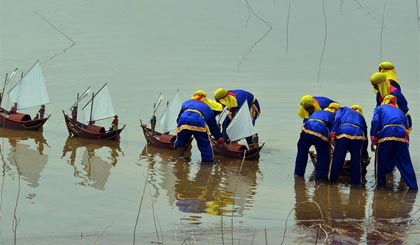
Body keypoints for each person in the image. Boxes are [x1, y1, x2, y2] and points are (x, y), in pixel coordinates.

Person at [370, 95, 417, 190]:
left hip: (387, 132)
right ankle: (413, 187)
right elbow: (407, 127)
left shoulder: (380, 108)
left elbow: (375, 121)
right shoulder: (401, 112)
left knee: (381, 161)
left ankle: (380, 186)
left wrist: (373, 137)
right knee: (405, 163)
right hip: (402, 135)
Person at [175, 90, 227, 163]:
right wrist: (221, 141)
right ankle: (207, 164)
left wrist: (182, 133)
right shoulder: (207, 108)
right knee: (204, 144)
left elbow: (178, 118)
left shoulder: (186, 103)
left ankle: (179, 159)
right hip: (198, 121)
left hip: (183, 121)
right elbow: (213, 127)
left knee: (181, 141)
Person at [294, 102, 339, 181]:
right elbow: (334, 133)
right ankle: (320, 179)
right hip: (320, 132)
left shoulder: (318, 112)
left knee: (302, 153)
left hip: (306, 130)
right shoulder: (335, 116)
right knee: (323, 156)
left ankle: (298, 175)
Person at [328, 105, 369, 185]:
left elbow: (337, 119)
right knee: (356, 160)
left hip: (344, 132)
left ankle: (332, 180)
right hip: (358, 134)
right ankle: (355, 183)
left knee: (338, 158)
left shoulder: (343, 109)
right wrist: (364, 153)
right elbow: (365, 136)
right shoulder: (361, 117)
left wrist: (332, 136)